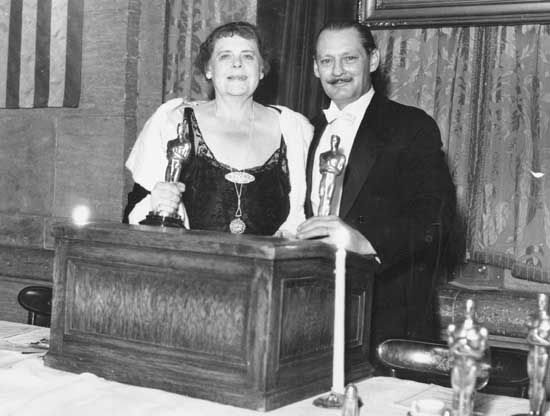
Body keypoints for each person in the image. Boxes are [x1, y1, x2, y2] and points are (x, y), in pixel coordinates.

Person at [296, 21, 456, 352]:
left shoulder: (411, 126)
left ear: (373, 60)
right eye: (326, 61)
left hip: (386, 321)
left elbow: (436, 216)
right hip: (309, 315)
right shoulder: (304, 130)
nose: (337, 71)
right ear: (315, 68)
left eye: (349, 59)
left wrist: (366, 241)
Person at [124, 22, 313, 236]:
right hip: (191, 265)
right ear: (208, 70)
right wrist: (157, 202)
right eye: (225, 56)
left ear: (261, 70)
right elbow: (133, 214)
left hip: (264, 268)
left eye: (248, 56)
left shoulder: (294, 129)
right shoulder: (172, 123)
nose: (237, 64)